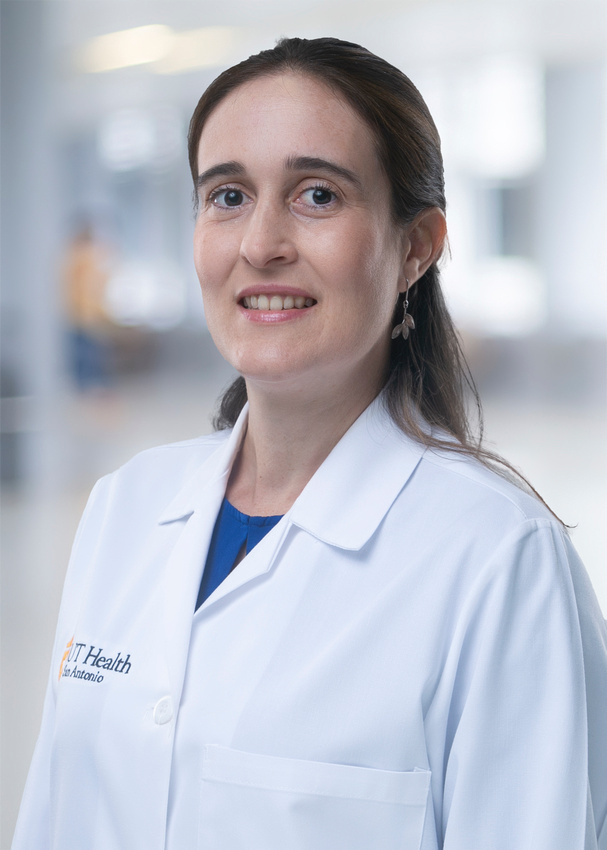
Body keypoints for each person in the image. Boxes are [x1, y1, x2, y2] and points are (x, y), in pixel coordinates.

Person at [13, 37, 607, 850]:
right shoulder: (126, 505)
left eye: (317, 195)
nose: (260, 243)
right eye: (227, 195)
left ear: (415, 246)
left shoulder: (497, 558)